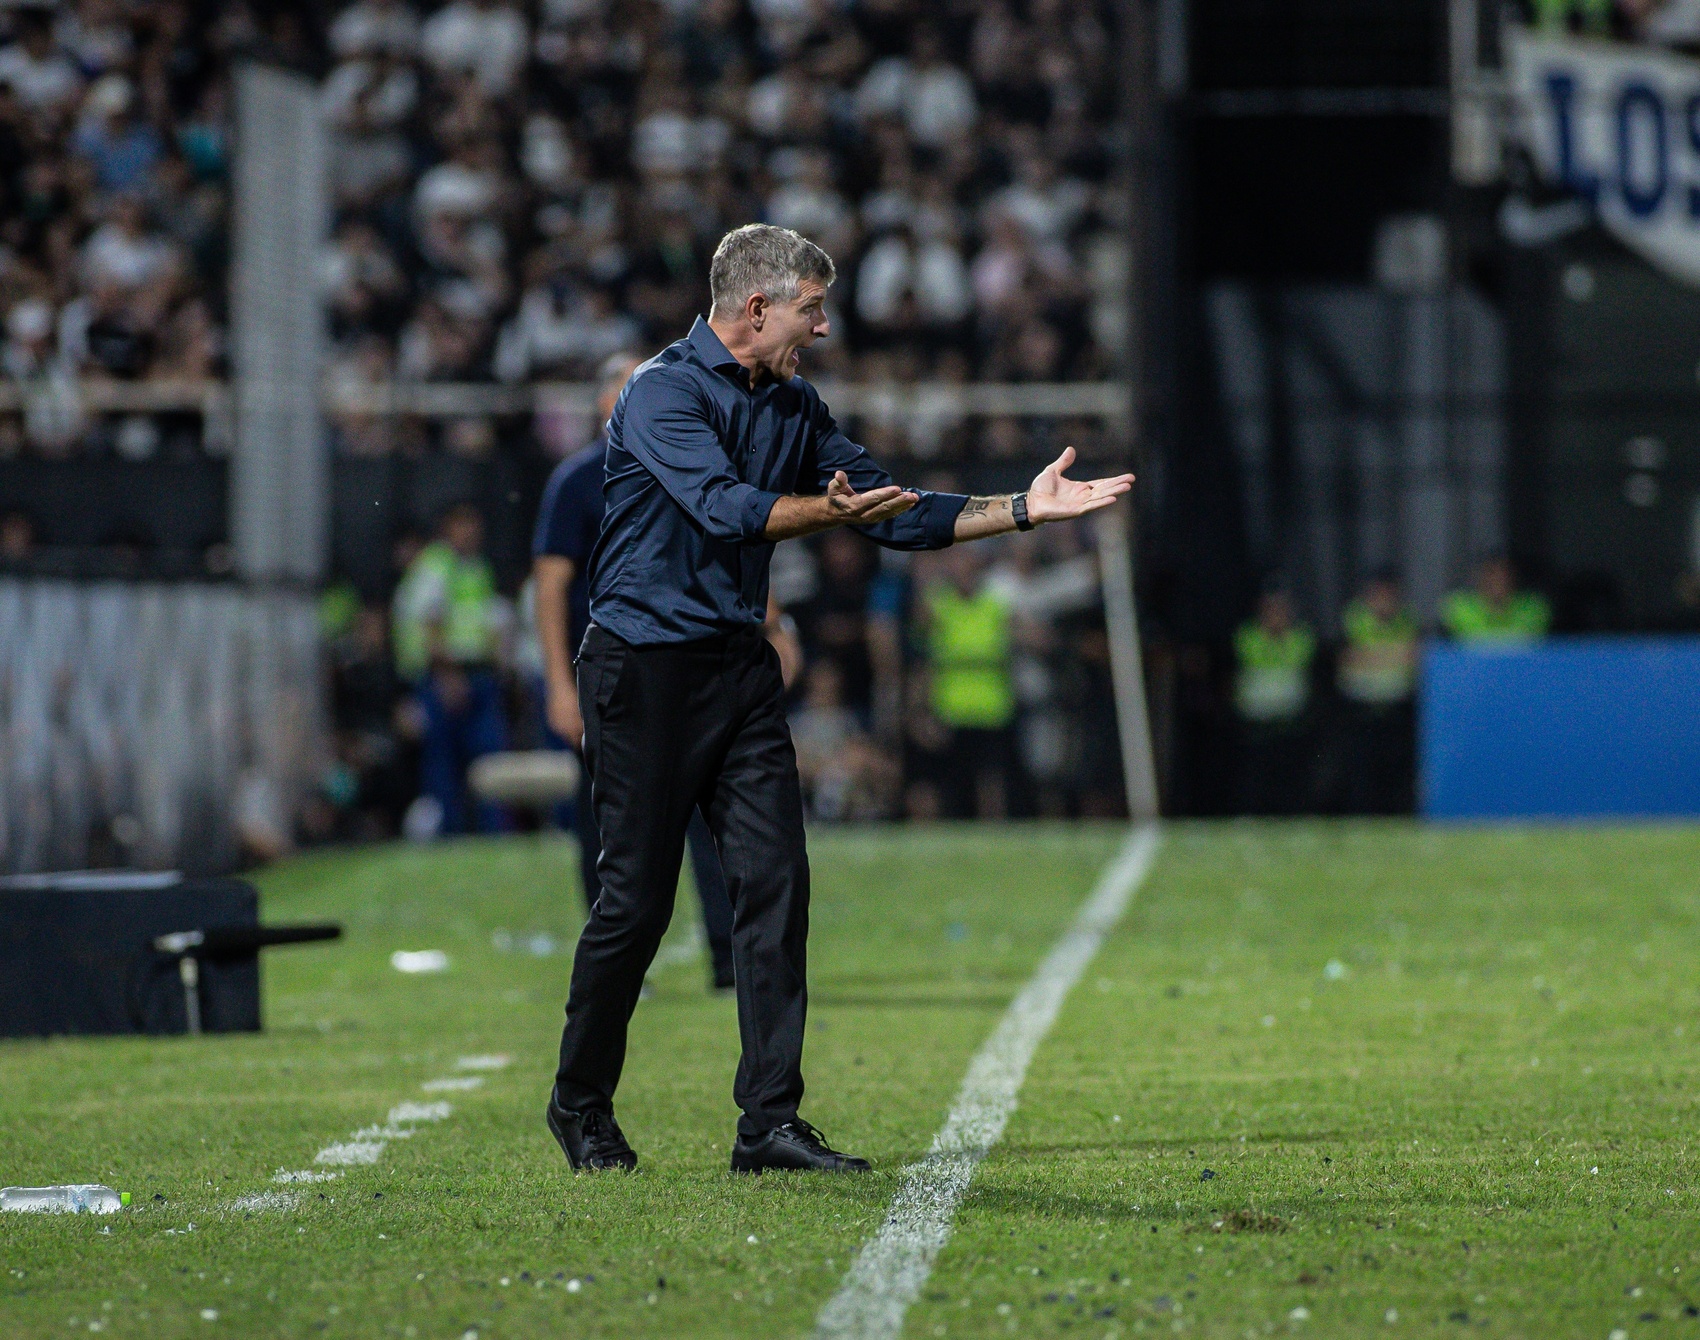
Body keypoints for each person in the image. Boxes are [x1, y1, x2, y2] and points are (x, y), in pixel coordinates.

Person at [546, 223, 1133, 1174]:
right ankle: (579, 1106)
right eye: (811, 309)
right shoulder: (659, 392)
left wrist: (1021, 510)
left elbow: (892, 511)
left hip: (738, 669)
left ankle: (768, 1124)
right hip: (641, 672)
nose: (822, 328)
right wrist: (831, 511)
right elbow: (727, 508)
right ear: (756, 308)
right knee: (636, 906)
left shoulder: (794, 403)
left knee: (775, 885)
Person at [532, 351, 801, 993]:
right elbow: (550, 587)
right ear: (607, 405)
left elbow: (730, 553)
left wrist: (774, 626)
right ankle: (619, 967)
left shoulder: (692, 467)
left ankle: (730, 959)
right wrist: (559, 683)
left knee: (715, 819)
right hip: (617, 674)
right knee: (615, 830)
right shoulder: (578, 482)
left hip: (695, 670)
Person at [392, 502, 509, 835]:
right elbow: (430, 622)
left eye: (474, 523)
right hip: (447, 676)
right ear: (448, 528)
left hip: (479, 673)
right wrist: (448, 677)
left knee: (488, 755)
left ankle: (493, 831)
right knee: (443, 760)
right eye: (463, 524)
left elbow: (484, 619)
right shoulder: (436, 565)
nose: (471, 531)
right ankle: (449, 832)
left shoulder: (478, 566)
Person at [918, 542, 1016, 818]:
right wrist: (924, 708)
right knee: (952, 782)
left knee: (991, 779)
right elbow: (923, 657)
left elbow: (1012, 644)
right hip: (950, 707)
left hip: (991, 707)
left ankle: (993, 829)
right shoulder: (937, 604)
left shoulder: (995, 604)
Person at [1336, 571, 1417, 814]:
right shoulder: (1354, 619)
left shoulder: (1407, 620)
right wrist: (1394, 654)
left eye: (1388, 594)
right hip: (1363, 710)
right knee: (1361, 775)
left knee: (1397, 774)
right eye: (1378, 593)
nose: (1383, 600)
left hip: (1397, 709)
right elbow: (1346, 661)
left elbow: (1416, 657)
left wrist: (1370, 656)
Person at [1233, 583, 1315, 815]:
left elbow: (1298, 656)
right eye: (1271, 609)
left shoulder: (1300, 637)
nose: (1276, 615)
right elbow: (1255, 655)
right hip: (1257, 721)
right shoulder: (1248, 636)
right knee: (1256, 778)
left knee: (1291, 778)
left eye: (1281, 609)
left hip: (1290, 721)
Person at [1442, 555, 1551, 645]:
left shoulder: (1534, 607)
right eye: (1491, 574)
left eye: (1503, 575)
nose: (1497, 581)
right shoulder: (1458, 607)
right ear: (1480, 577)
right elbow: (1470, 642)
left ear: (1513, 578)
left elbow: (1526, 642)